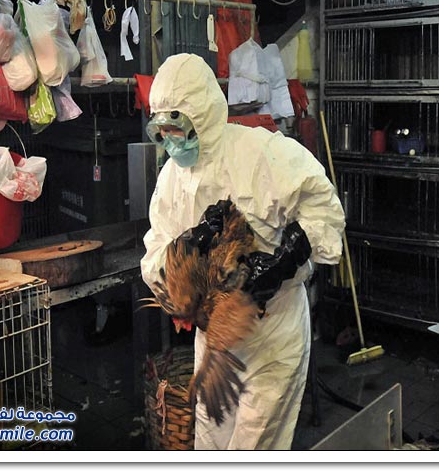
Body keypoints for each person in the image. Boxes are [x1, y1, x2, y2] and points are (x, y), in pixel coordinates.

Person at [140, 53, 345, 450]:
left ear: (202, 116)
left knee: (254, 448)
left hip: (272, 336)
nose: (171, 142)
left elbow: (323, 208)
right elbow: (154, 258)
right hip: (216, 342)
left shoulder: (261, 153)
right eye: (161, 132)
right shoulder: (170, 180)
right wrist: (186, 249)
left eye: (177, 128)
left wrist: (283, 262)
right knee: (210, 445)